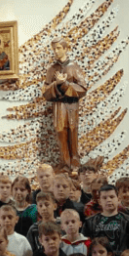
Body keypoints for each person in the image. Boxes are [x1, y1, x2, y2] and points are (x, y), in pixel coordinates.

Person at [42, 37, 88, 171]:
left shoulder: (73, 67)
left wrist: (66, 84)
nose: (56, 51)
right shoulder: (52, 69)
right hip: (59, 106)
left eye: (58, 48)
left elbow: (83, 88)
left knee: (72, 131)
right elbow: (45, 91)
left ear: (65, 49)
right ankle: (65, 163)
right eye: (54, 49)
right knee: (60, 131)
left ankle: (75, 164)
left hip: (71, 105)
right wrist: (56, 84)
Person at [82, 184, 129, 256]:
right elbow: (85, 246)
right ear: (99, 201)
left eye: (112, 197)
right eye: (104, 198)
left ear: (118, 199)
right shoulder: (90, 222)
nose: (108, 200)